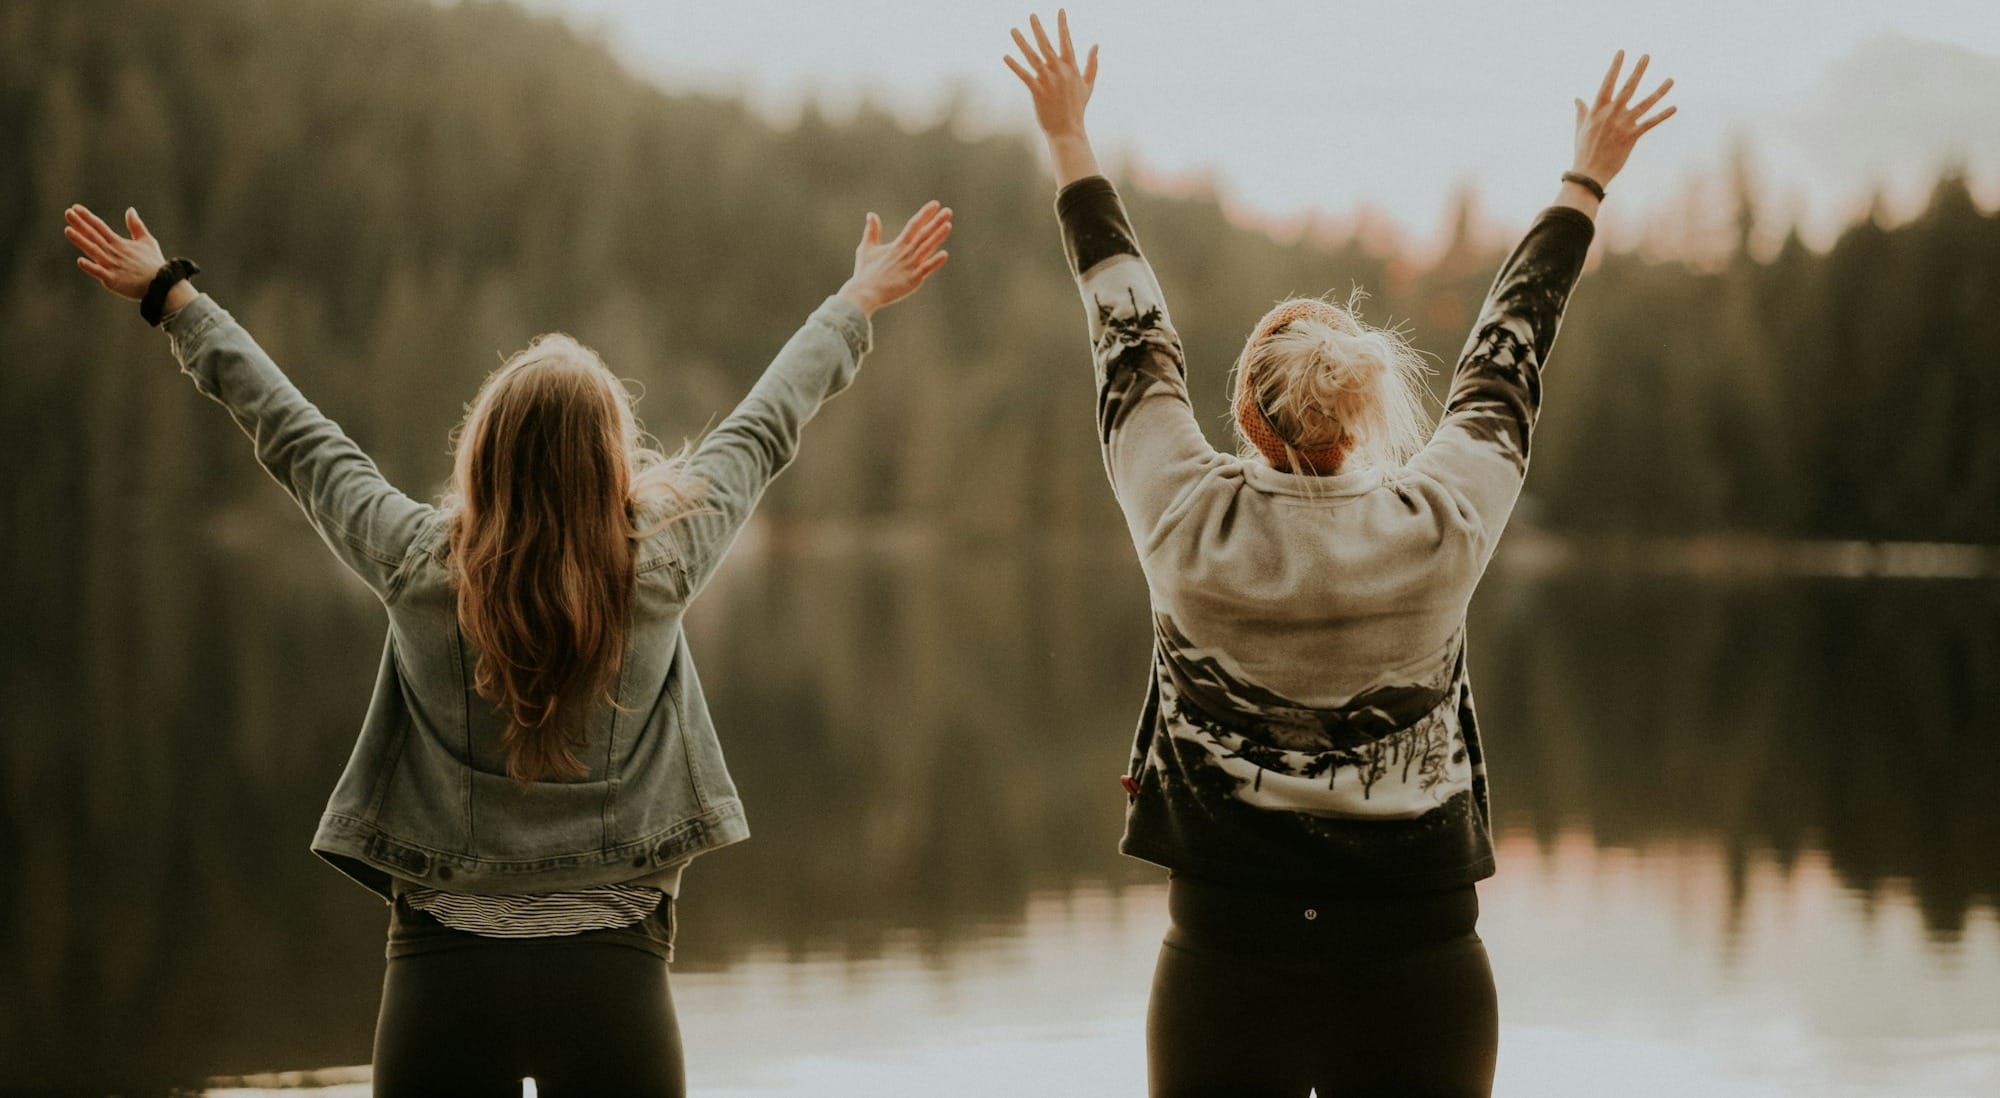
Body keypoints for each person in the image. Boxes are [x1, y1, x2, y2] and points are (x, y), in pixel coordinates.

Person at [62, 197, 951, 1095]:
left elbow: (297, 437)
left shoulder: (416, 564)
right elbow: (764, 427)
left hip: (443, 978)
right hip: (614, 978)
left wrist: (174, 298)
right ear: (612, 462)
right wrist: (855, 302)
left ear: (482, 454)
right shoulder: (660, 566)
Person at [1006, 11, 1674, 1097]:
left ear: (1246, 419)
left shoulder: (1182, 517)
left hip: (1224, 958)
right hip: (1419, 960)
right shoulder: (1438, 526)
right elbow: (1509, 354)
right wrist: (1582, 182)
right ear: (1361, 417)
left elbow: (1126, 332)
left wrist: (1069, 144)